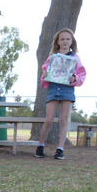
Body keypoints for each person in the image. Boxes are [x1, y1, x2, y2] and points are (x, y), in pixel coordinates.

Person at [36, 28, 86, 160]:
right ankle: (40, 145)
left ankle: (60, 149)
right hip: (53, 89)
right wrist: (44, 75)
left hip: (67, 90)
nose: (65, 41)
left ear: (72, 41)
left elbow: (81, 74)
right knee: (49, 119)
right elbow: (45, 73)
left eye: (68, 39)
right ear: (58, 41)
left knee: (64, 120)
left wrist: (74, 79)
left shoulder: (75, 57)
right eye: (62, 39)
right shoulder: (52, 57)